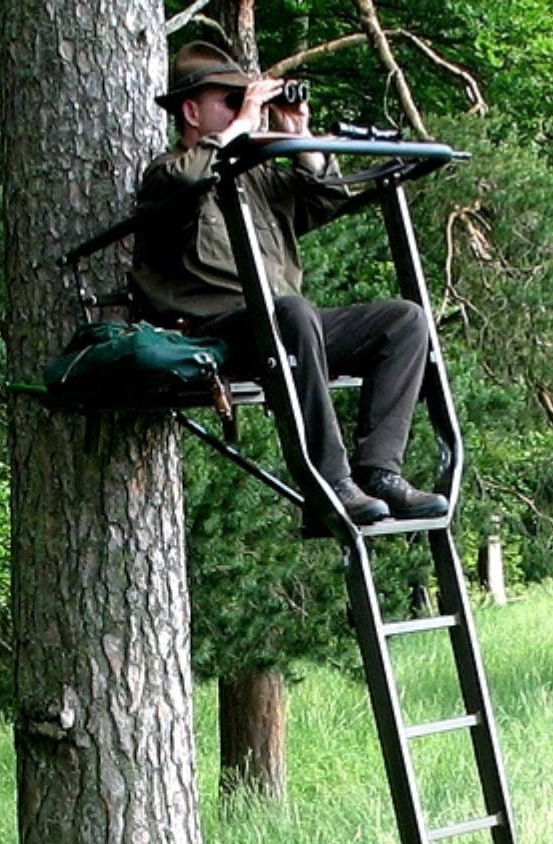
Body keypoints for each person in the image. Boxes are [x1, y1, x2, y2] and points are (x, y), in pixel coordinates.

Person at [132, 41, 448, 525]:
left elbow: (326, 200)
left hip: (285, 325)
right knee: (291, 311)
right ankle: (330, 484)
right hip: (214, 332)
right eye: (231, 101)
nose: (247, 111)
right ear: (192, 111)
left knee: (404, 321)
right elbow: (188, 182)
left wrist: (298, 134)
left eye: (247, 99)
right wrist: (241, 127)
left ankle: (380, 472)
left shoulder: (257, 179)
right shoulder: (168, 173)